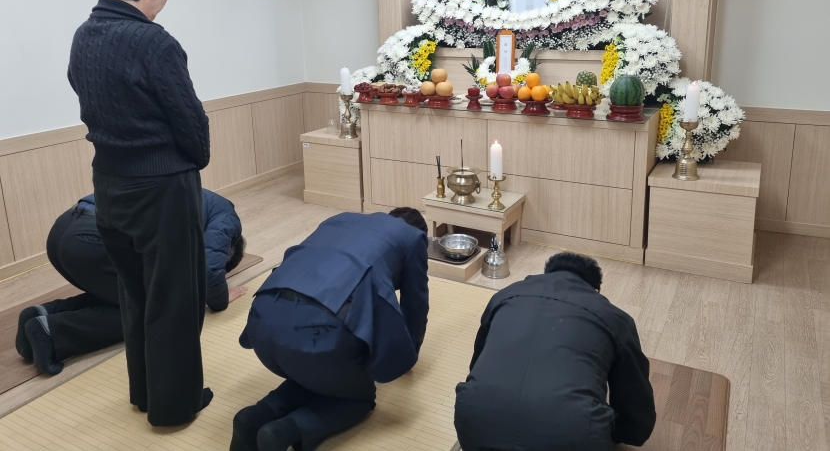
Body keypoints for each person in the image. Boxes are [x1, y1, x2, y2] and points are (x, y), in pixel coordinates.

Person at [67, 0, 211, 426]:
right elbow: (188, 118)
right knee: (174, 299)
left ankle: (146, 393)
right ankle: (175, 406)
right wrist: (195, 159)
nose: (165, 0)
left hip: (108, 185)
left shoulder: (84, 34)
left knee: (136, 294)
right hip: (161, 188)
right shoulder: (155, 42)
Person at [231, 208, 430, 451]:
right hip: (321, 335)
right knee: (356, 395)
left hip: (263, 320)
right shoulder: (413, 237)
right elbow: (415, 304)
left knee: (317, 378)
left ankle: (255, 417)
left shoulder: (340, 219)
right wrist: (407, 355)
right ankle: (286, 431)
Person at [15, 189, 247, 376]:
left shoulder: (200, 201)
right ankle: (53, 333)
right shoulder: (227, 218)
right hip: (92, 238)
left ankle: (43, 314)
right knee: (153, 309)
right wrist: (219, 298)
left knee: (126, 292)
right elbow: (209, 270)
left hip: (64, 230)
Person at [454, 252, 656, 451]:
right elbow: (636, 414)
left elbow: (476, 364)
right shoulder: (615, 318)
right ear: (595, 289)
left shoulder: (504, 296)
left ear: (547, 274)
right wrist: (616, 434)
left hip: (473, 423)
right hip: (571, 437)